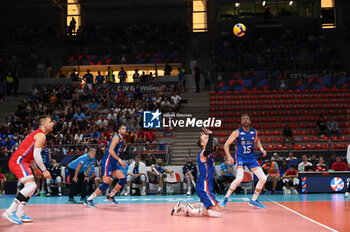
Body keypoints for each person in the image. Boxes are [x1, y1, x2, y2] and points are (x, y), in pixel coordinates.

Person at [2, 115, 54, 224]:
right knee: (31, 185)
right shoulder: (41, 135)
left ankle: (20, 212)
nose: (53, 123)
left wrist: (35, 169)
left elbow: (30, 155)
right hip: (19, 161)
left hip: (24, 161)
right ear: (44, 124)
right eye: (51, 121)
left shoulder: (37, 134)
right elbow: (36, 155)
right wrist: (44, 170)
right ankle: (10, 211)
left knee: (32, 187)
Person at [171, 128, 223, 217]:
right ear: (203, 144)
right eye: (205, 139)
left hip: (204, 185)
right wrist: (210, 134)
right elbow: (209, 148)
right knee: (218, 213)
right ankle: (191, 210)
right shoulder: (204, 153)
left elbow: (214, 146)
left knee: (208, 206)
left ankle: (183, 206)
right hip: (204, 186)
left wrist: (209, 136)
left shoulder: (207, 153)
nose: (208, 139)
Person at [221, 114, 267, 208]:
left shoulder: (254, 131)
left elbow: (257, 141)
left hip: (251, 158)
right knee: (239, 178)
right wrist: (229, 156)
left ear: (250, 121)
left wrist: (262, 149)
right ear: (241, 122)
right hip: (241, 158)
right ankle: (225, 198)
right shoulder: (236, 132)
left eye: (247, 119)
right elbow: (226, 145)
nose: (245, 120)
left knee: (263, 178)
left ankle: (253, 200)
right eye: (243, 119)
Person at [85, 124, 127, 207]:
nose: (124, 130)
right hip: (108, 162)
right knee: (106, 183)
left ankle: (110, 196)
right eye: (122, 128)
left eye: (125, 129)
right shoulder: (116, 138)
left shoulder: (121, 140)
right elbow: (111, 150)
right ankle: (89, 200)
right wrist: (119, 160)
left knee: (123, 179)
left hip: (113, 163)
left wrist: (117, 160)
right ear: (119, 130)